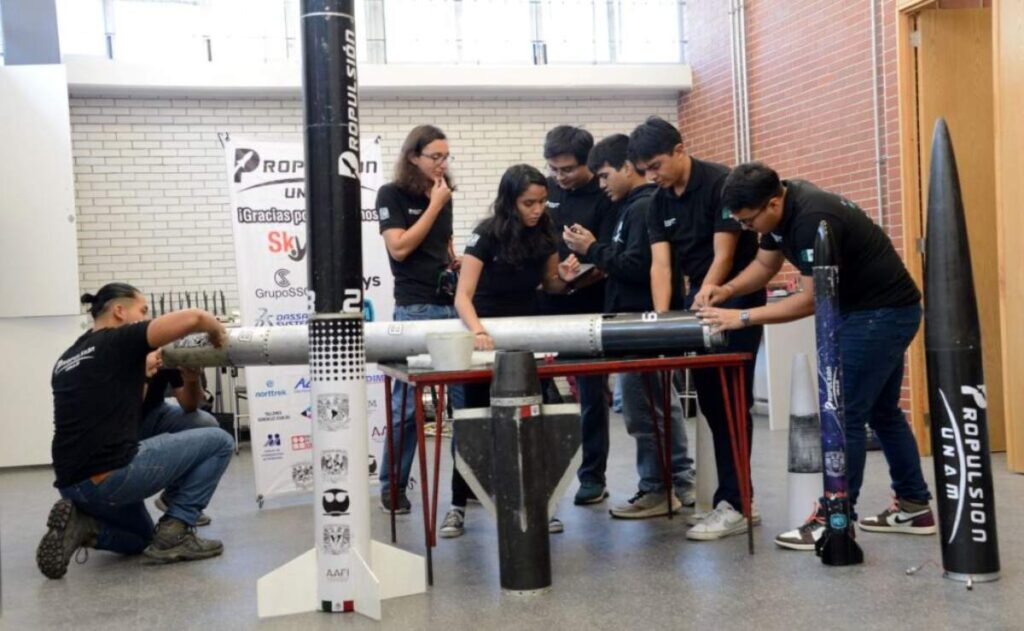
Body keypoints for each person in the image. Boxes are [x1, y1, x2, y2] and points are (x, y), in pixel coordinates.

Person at [699, 162, 935, 550]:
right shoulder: (780, 212)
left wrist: (741, 316)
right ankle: (914, 505)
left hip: (879, 314)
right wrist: (727, 290)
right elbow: (763, 265)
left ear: (773, 203)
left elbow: (811, 298)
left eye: (748, 221)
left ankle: (835, 518)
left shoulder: (812, 218)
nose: (746, 228)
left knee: (844, 414)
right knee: (883, 411)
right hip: (876, 311)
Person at [37, 283, 234, 579]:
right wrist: (217, 330)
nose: (146, 318)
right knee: (220, 441)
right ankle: (177, 530)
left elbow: (120, 408)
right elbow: (195, 318)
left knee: (141, 539)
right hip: (109, 476)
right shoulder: (120, 340)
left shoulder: (67, 357)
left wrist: (182, 376)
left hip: (72, 483)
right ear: (119, 311)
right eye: (142, 311)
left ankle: (85, 527)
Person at [629, 116, 765, 540]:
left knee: (730, 402)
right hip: (697, 306)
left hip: (734, 299)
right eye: (645, 171)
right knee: (710, 404)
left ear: (680, 149)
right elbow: (661, 264)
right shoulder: (658, 201)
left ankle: (738, 503)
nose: (652, 176)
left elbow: (722, 257)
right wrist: (661, 320)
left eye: (656, 165)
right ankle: (735, 498)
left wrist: (706, 295)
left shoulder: (720, 184)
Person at [440, 164, 580, 538]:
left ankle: (544, 504)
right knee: (472, 421)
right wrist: (479, 331)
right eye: (528, 203)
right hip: (484, 334)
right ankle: (456, 506)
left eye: (541, 202)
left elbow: (549, 283)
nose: (536, 209)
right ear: (510, 201)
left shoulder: (547, 232)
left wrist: (564, 280)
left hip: (526, 334)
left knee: (539, 418)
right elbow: (462, 296)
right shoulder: (486, 234)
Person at [563, 133, 696, 518]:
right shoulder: (631, 208)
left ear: (625, 167)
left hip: (642, 321)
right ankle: (675, 483)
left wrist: (592, 250)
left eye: (605, 176)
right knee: (652, 407)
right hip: (634, 321)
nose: (602, 186)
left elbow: (639, 266)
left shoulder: (642, 208)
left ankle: (660, 486)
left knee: (646, 410)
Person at [376, 125, 464, 514]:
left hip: (449, 305)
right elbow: (399, 248)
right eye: (435, 157)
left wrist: (455, 261)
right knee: (408, 406)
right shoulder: (391, 194)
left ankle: (468, 484)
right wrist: (433, 207)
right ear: (413, 157)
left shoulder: (444, 195)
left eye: (446, 157)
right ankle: (393, 486)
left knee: (464, 401)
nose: (442, 165)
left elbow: (442, 245)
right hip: (414, 308)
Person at [542, 125, 617, 506]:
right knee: (535, 391)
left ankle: (593, 476)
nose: (560, 177)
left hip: (590, 304)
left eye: (568, 169)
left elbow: (609, 257)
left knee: (590, 395)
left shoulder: (604, 196)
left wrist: (586, 257)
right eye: (554, 169)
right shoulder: (546, 190)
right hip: (546, 304)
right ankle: (539, 479)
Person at [141, 349, 220, 526]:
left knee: (208, 427)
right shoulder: (115, 347)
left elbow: (190, 405)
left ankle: (176, 499)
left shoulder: (164, 350)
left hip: (154, 411)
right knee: (137, 536)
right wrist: (144, 373)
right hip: (121, 423)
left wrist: (192, 379)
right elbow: (126, 410)